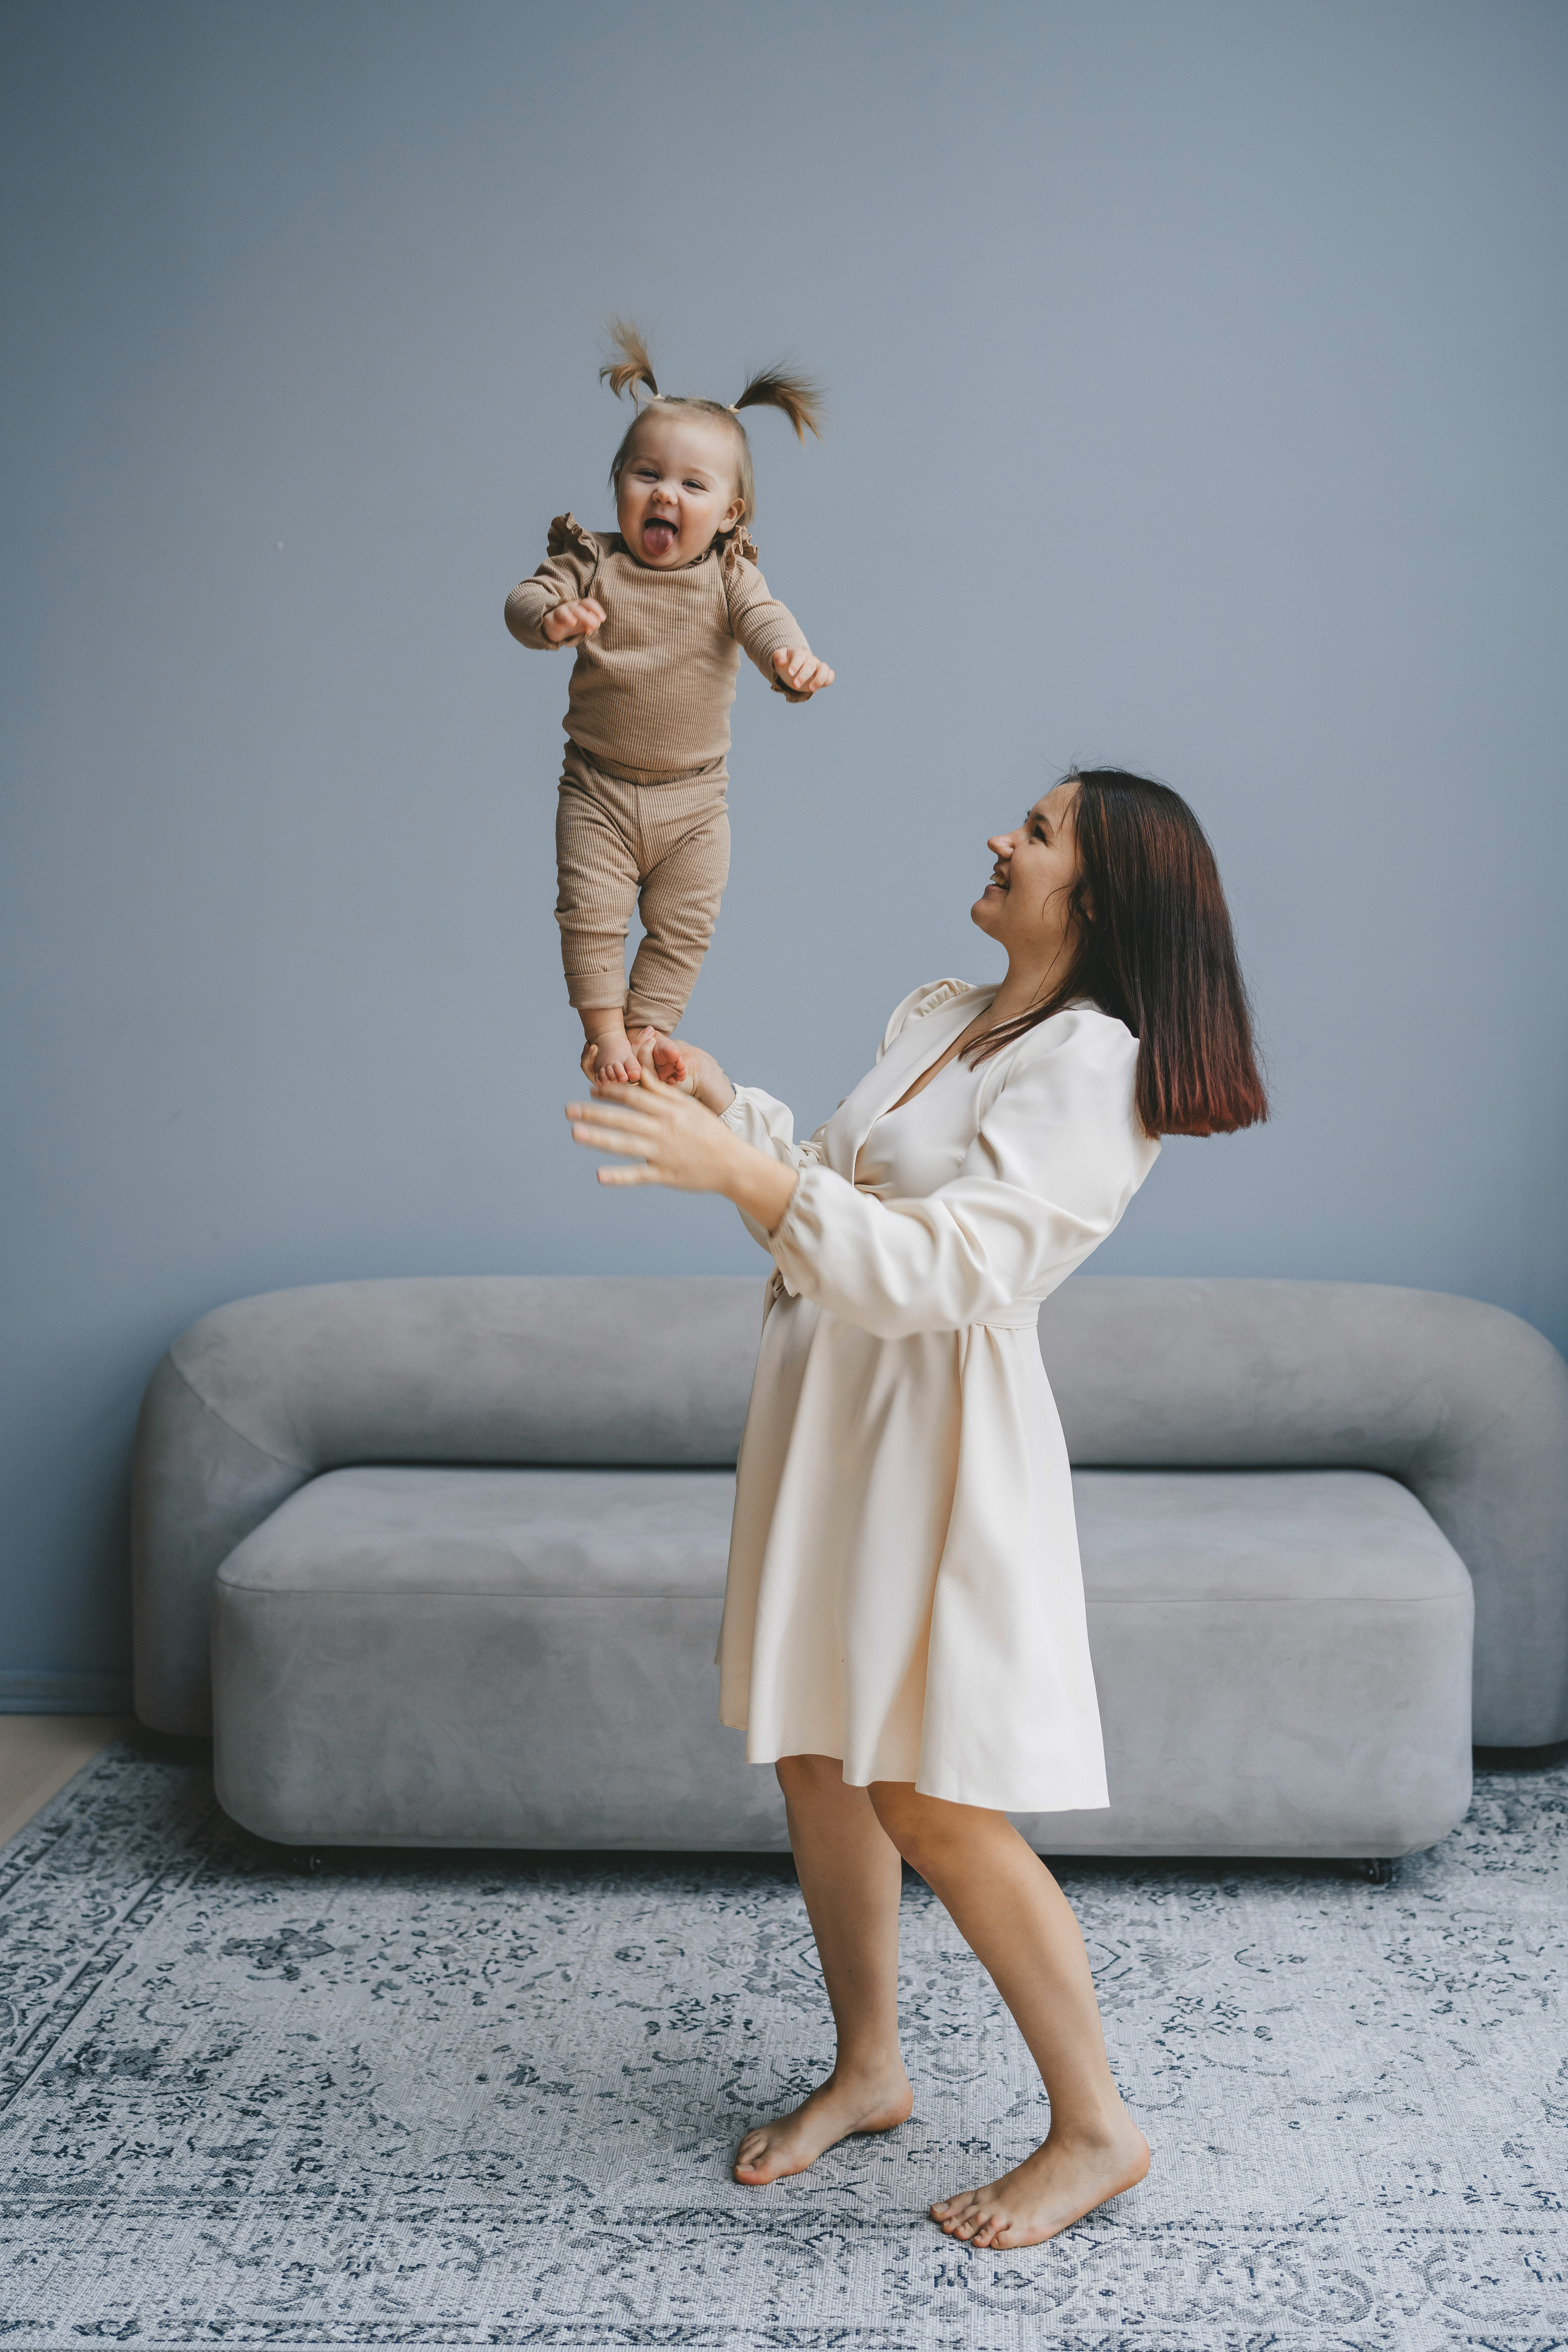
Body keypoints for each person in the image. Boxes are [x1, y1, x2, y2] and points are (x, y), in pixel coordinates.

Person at [565, 767, 1267, 2250]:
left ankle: (1094, 2126)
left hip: (934, 1438)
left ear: (1100, 891)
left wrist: (741, 1176)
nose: (999, 839)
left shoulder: (1090, 1062)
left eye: (1038, 829)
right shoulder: (947, 1012)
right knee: (819, 1755)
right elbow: (838, 1184)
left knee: (927, 1791)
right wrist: (727, 1108)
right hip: (832, 1416)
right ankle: (869, 2067)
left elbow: (949, 1267)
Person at [506, 320, 834, 1085]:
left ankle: (648, 1025)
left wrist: (791, 663)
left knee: (684, 926)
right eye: (646, 475)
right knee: (589, 914)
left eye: (693, 484)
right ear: (617, 484)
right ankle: (604, 1032)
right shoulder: (593, 562)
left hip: (693, 802)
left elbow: (765, 621)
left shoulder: (728, 576)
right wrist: (549, 620)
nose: (665, 494)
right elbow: (525, 598)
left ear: (729, 514)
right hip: (598, 790)